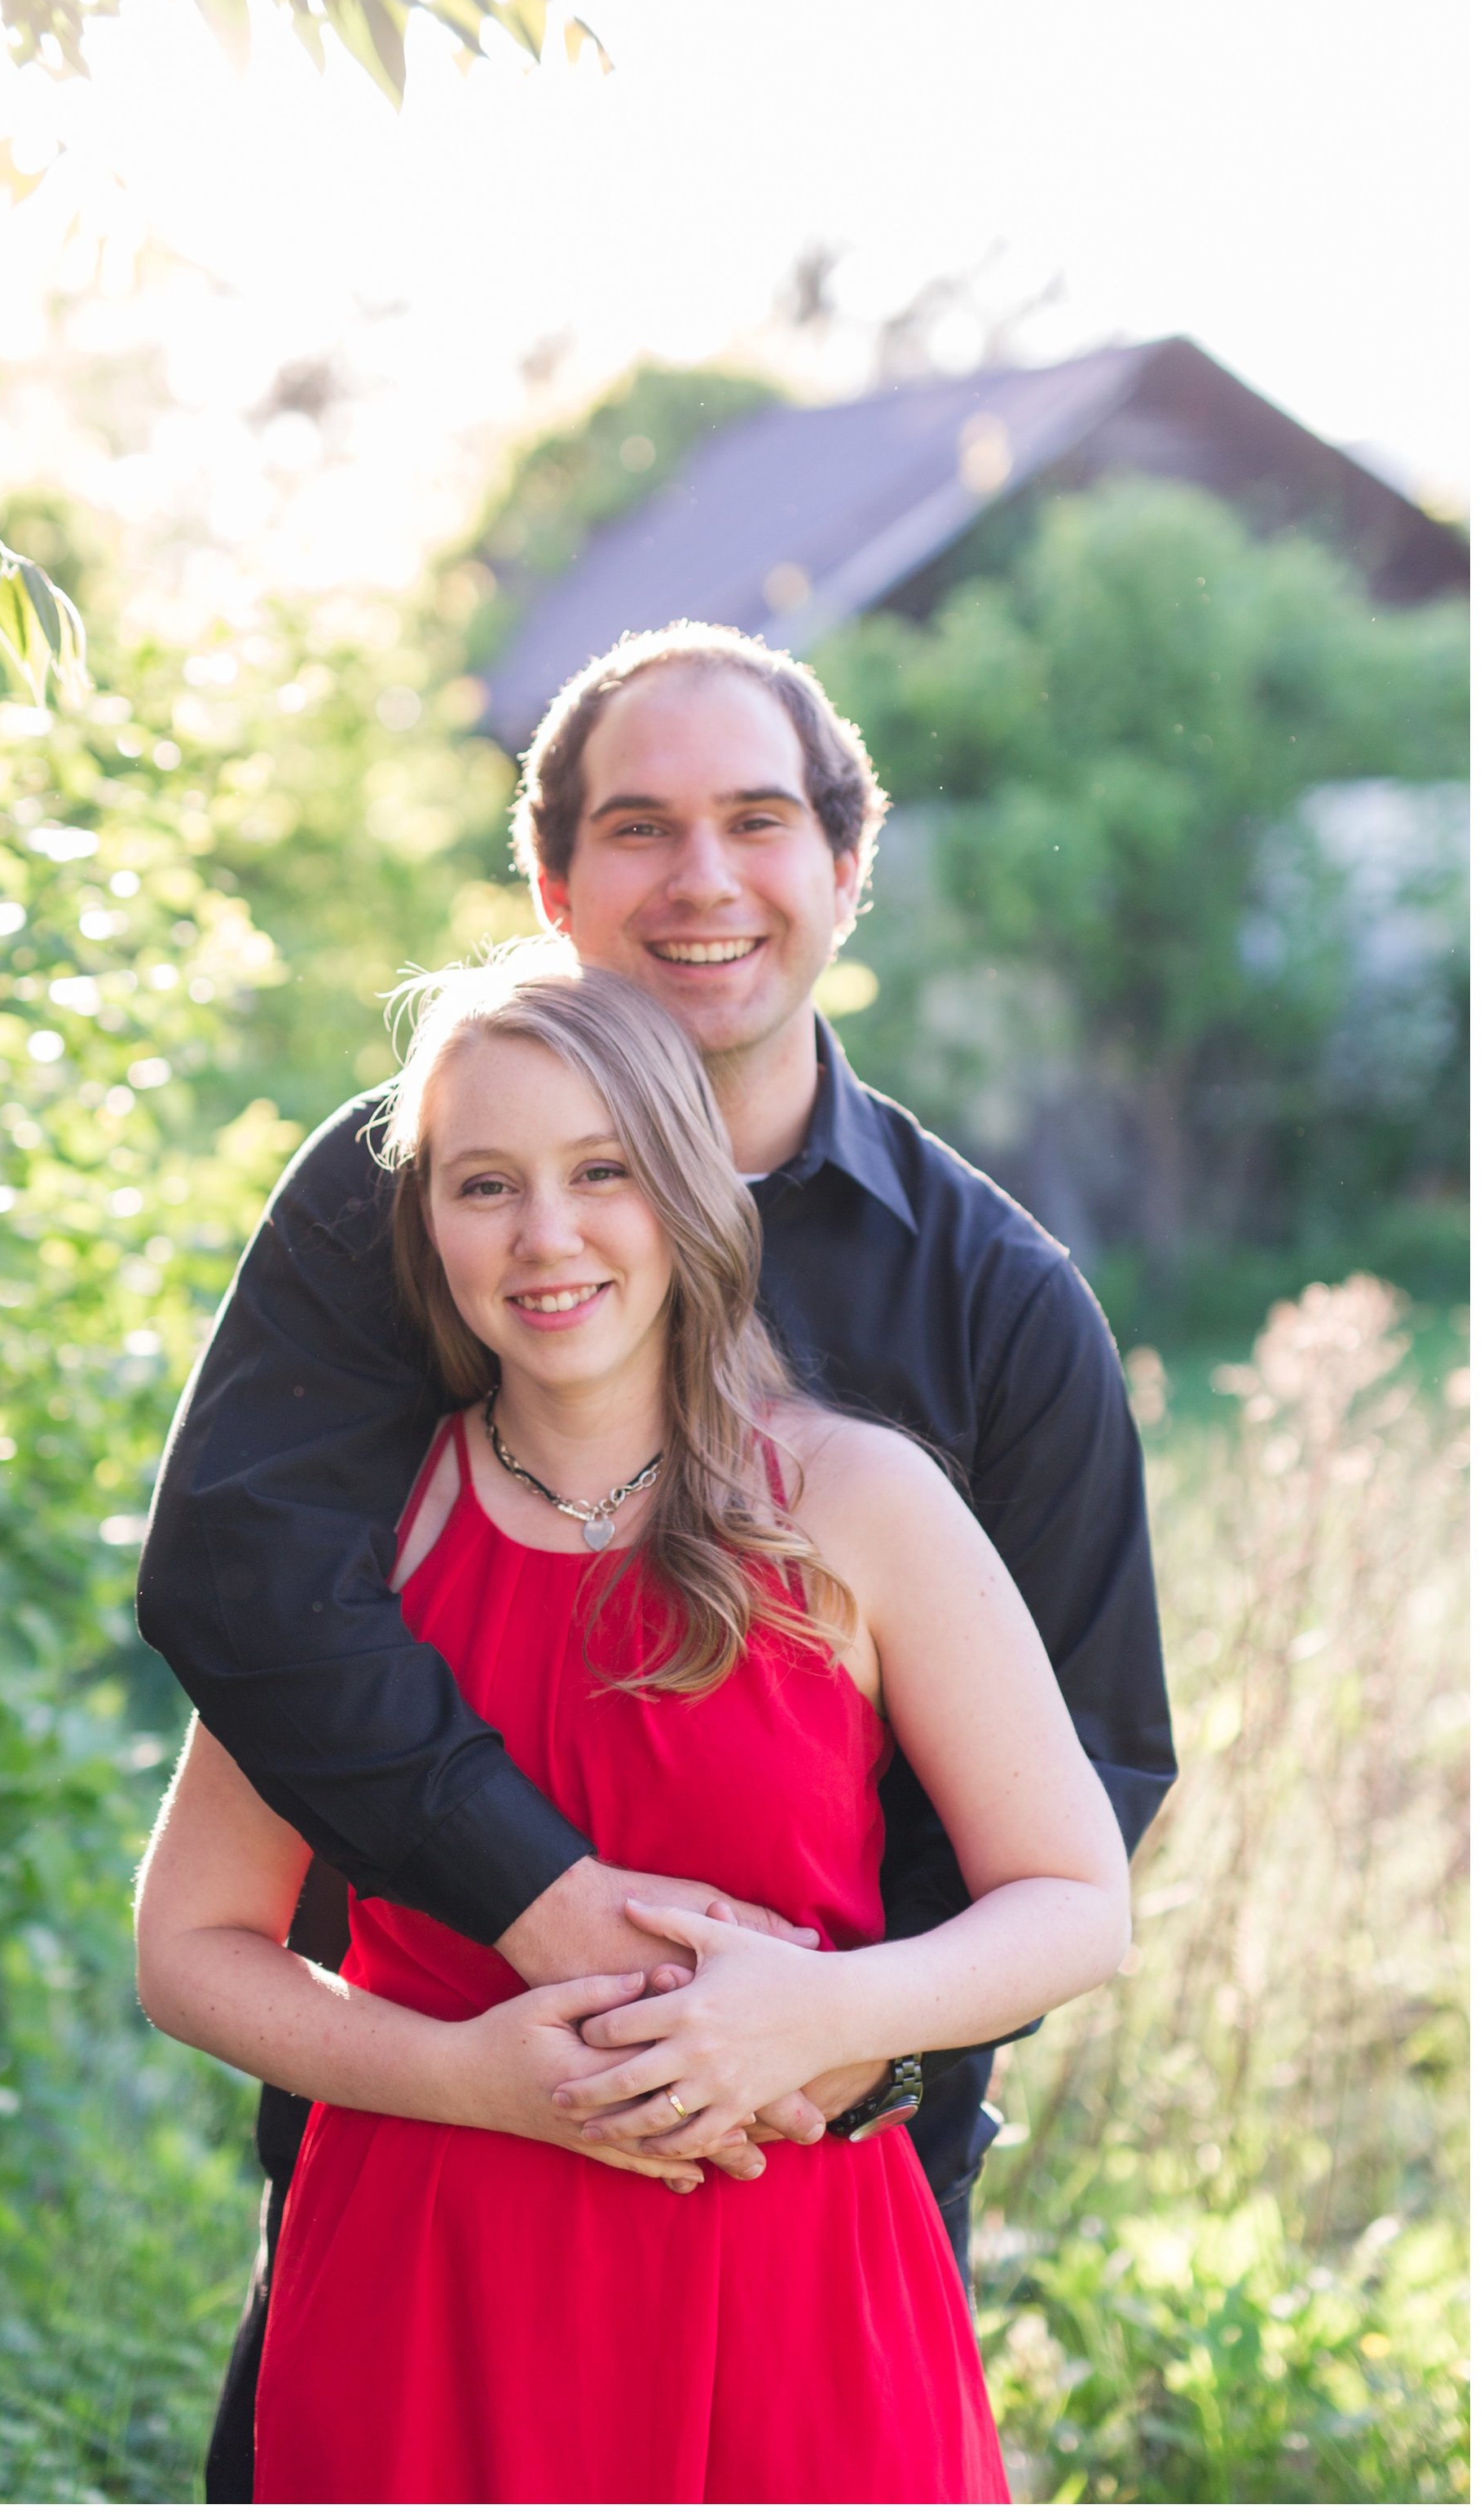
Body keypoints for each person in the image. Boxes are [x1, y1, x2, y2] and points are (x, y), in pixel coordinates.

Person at [137, 620, 1176, 2497]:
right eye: (635, 826)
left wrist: (822, 2031)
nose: (699, 878)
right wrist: (523, 1941)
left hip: (803, 2160)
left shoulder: (984, 1317)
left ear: (844, 866)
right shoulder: (393, 1200)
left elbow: (1080, 1795)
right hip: (422, 2164)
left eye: (757, 819)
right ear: (551, 881)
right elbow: (247, 1589)